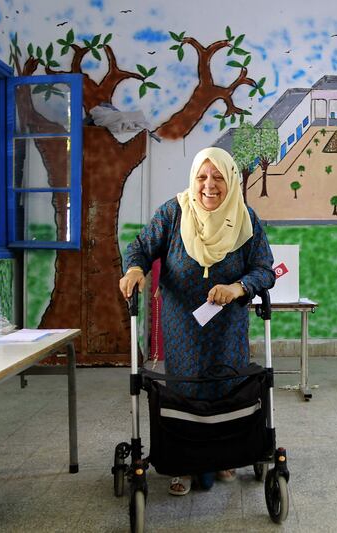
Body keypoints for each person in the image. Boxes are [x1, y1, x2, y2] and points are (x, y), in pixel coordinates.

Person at [119, 147, 275, 496]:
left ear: (231, 180)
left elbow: (264, 270)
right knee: (185, 388)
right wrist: (134, 270)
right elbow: (142, 247)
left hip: (228, 328)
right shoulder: (174, 212)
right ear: (193, 179)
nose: (210, 185)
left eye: (219, 177)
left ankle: (225, 456)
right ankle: (183, 462)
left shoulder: (247, 219)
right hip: (182, 327)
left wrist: (238, 287)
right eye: (202, 177)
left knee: (226, 386)